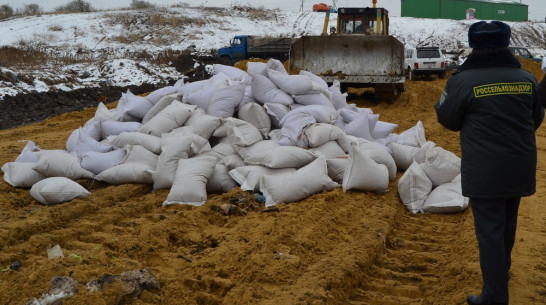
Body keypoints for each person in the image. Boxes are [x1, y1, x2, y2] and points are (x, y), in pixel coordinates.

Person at [435, 21, 546, 305]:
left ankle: (495, 295)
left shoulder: (461, 81)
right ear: (506, 43)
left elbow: (448, 120)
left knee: (489, 231)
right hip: (520, 165)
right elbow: (534, 119)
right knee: (508, 223)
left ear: (474, 46)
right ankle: (501, 273)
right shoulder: (527, 79)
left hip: (485, 170)